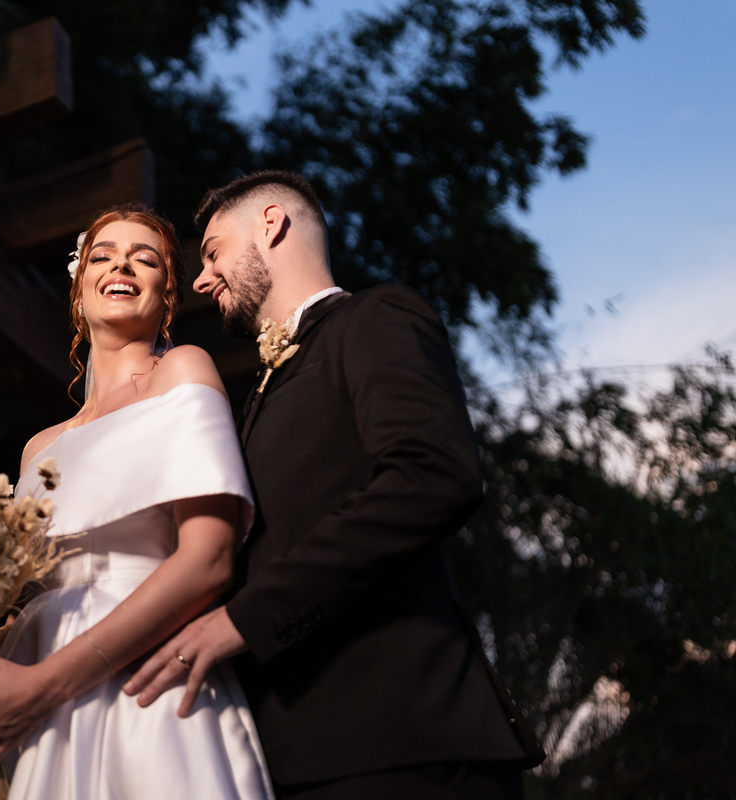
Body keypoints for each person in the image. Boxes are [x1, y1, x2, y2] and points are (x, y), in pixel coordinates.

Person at [123, 171, 546, 799]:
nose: (203, 279)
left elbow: (432, 475)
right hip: (289, 755)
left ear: (271, 224)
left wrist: (247, 619)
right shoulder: (254, 396)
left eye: (212, 252)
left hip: (404, 742)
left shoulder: (375, 317)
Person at [0, 205, 275, 800]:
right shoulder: (39, 448)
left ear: (167, 295)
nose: (122, 266)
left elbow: (209, 561)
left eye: (145, 259)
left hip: (140, 685)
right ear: (80, 293)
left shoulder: (181, 371)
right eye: (103, 256)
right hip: (29, 703)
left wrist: (46, 686)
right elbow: (35, 604)